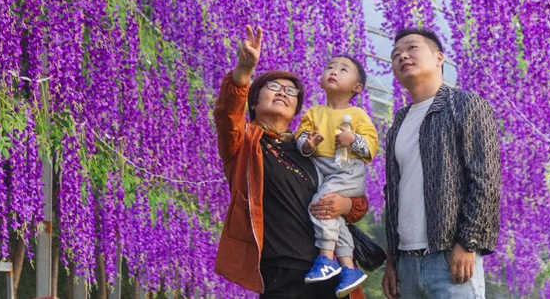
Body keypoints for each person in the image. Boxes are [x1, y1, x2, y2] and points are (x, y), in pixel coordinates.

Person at [213, 26, 368, 299]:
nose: (283, 92)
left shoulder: (310, 147)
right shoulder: (245, 143)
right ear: (253, 102)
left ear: (298, 109)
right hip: (281, 273)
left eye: (291, 91)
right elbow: (227, 114)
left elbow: (353, 197)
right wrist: (244, 70)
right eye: (273, 87)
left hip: (330, 272)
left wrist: (346, 204)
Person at [381, 28, 500, 299]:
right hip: (406, 264)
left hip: (449, 257)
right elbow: (394, 195)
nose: (403, 56)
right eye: (396, 54)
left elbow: (485, 178)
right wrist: (392, 261)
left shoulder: (466, 105)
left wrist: (468, 242)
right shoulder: (399, 122)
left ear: (439, 57)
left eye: (412, 48)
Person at [296, 56, 378, 297]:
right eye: (329, 67)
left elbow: (370, 148)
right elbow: (301, 139)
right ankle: (348, 267)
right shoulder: (313, 113)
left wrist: (353, 140)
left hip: (347, 169)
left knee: (320, 205)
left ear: (357, 87)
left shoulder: (358, 115)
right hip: (323, 170)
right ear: (320, 80)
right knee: (335, 218)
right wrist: (308, 144)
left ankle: (325, 258)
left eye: (344, 70)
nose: (334, 71)